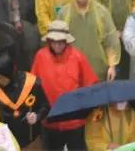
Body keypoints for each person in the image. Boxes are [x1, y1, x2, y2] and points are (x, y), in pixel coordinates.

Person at [30, 20, 98, 151]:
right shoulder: (40, 56)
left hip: (74, 122)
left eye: (61, 41)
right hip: (50, 120)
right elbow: (33, 84)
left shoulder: (78, 57)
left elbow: (91, 86)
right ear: (49, 41)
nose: (57, 45)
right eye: (54, 41)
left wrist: (84, 110)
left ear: (67, 41)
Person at [0, 51, 47, 151]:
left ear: (10, 74)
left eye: (1, 77)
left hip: (30, 141)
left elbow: (45, 106)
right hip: (4, 143)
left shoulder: (33, 84)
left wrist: (37, 116)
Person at [66, 0, 120, 82]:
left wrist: (112, 65)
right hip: (72, 68)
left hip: (98, 68)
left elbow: (111, 41)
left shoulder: (102, 13)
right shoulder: (65, 13)